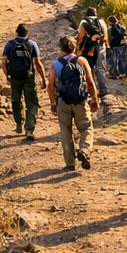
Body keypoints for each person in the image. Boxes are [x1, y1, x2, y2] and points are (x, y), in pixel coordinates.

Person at [46, 36, 99, 171]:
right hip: (80, 100)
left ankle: (70, 163)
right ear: (75, 47)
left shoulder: (56, 63)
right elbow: (90, 82)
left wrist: (53, 102)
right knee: (86, 128)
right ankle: (84, 150)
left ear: (61, 48)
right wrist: (95, 99)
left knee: (66, 131)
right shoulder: (82, 61)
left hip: (63, 101)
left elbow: (50, 85)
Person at [2, 24, 47, 140]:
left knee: (16, 100)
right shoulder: (32, 44)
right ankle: (29, 129)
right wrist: (43, 78)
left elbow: (3, 62)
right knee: (31, 102)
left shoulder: (9, 44)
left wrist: (7, 75)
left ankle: (18, 123)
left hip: (15, 77)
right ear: (27, 33)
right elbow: (37, 63)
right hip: (29, 77)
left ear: (16, 32)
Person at [77, 8, 110, 98]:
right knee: (101, 67)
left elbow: (80, 36)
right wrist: (107, 45)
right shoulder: (101, 21)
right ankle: (104, 89)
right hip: (101, 45)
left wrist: (79, 49)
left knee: (88, 68)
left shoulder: (83, 22)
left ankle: (92, 90)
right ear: (96, 13)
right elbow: (106, 35)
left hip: (89, 47)